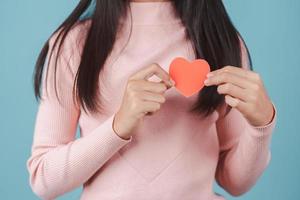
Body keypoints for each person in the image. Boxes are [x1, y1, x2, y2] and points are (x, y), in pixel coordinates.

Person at [27, 0, 277, 199]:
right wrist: (118, 127)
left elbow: (235, 183)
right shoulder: (75, 44)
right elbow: (43, 179)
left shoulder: (220, 40)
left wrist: (261, 126)